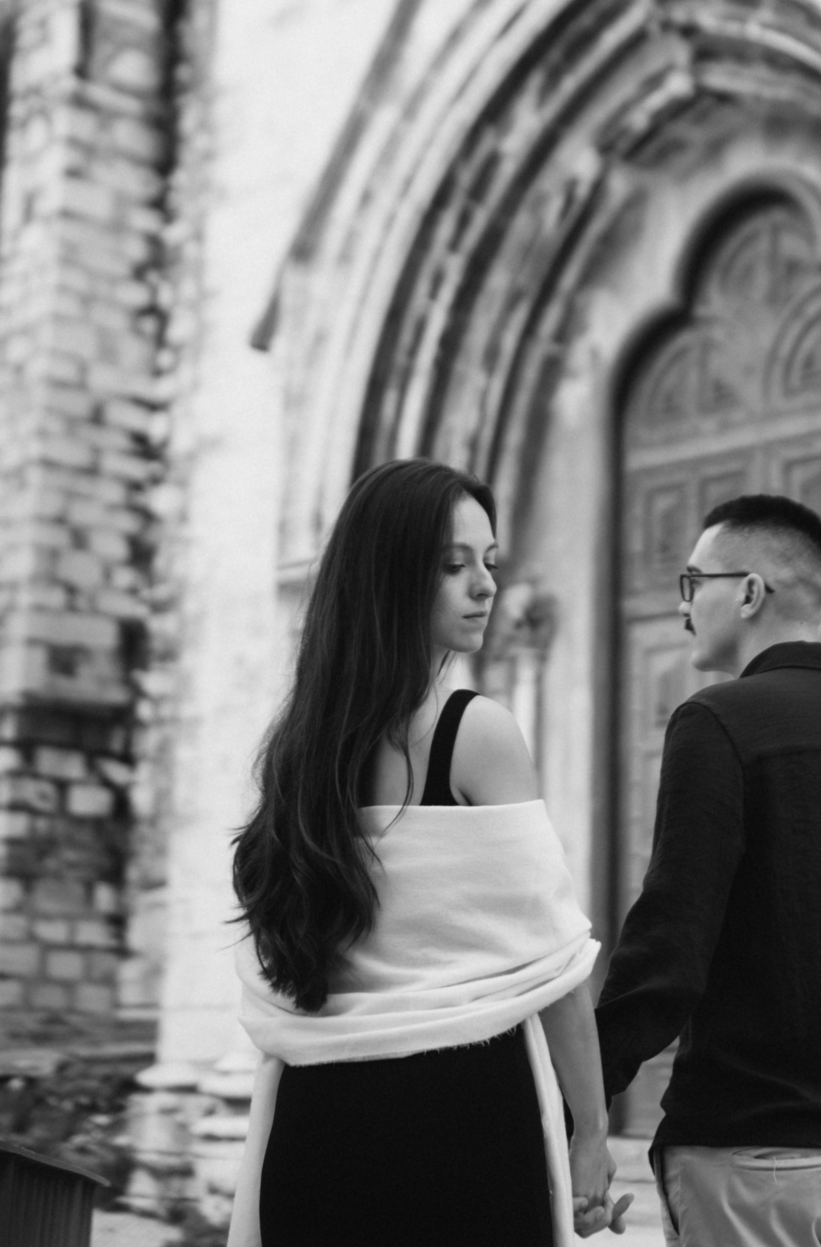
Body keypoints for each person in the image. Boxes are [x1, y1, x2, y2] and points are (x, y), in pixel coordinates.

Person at [226, 458, 632, 1246]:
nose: (484, 586)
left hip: (313, 1128)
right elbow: (551, 962)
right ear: (391, 578)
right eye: (453, 566)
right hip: (462, 1123)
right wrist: (590, 1133)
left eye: (490, 562)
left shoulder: (296, 756)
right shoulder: (476, 734)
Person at [595, 492, 821, 1247]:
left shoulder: (714, 720)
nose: (681, 605)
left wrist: (576, 1099)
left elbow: (670, 945)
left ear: (750, 592)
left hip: (756, 1161)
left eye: (693, 582)